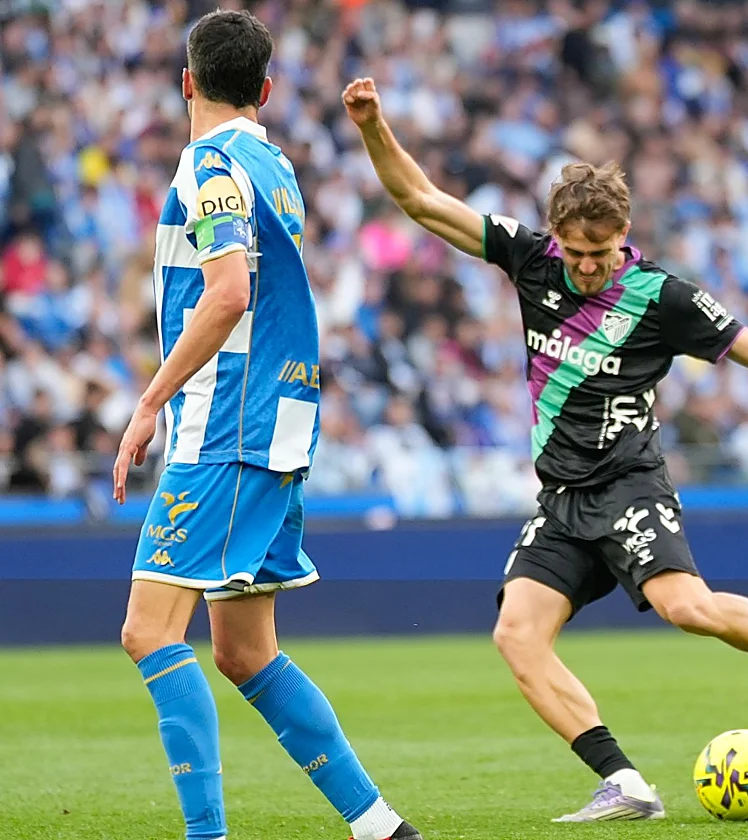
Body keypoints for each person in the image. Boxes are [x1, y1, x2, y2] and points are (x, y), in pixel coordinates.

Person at [343, 76, 748, 823]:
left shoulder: (664, 297)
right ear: (555, 235)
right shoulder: (531, 260)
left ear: (623, 235)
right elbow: (422, 201)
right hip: (561, 500)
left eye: (601, 252)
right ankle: (625, 783)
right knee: (517, 634)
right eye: (575, 252)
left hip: (629, 486)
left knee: (686, 608)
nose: (587, 265)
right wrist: (372, 125)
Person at [112, 14, 421, 840]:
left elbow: (227, 294)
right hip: (279, 423)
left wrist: (149, 402)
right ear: (267, 91)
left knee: (148, 633)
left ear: (187, 82)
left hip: (226, 428)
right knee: (245, 652)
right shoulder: (274, 162)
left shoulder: (211, 163)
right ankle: (382, 827)